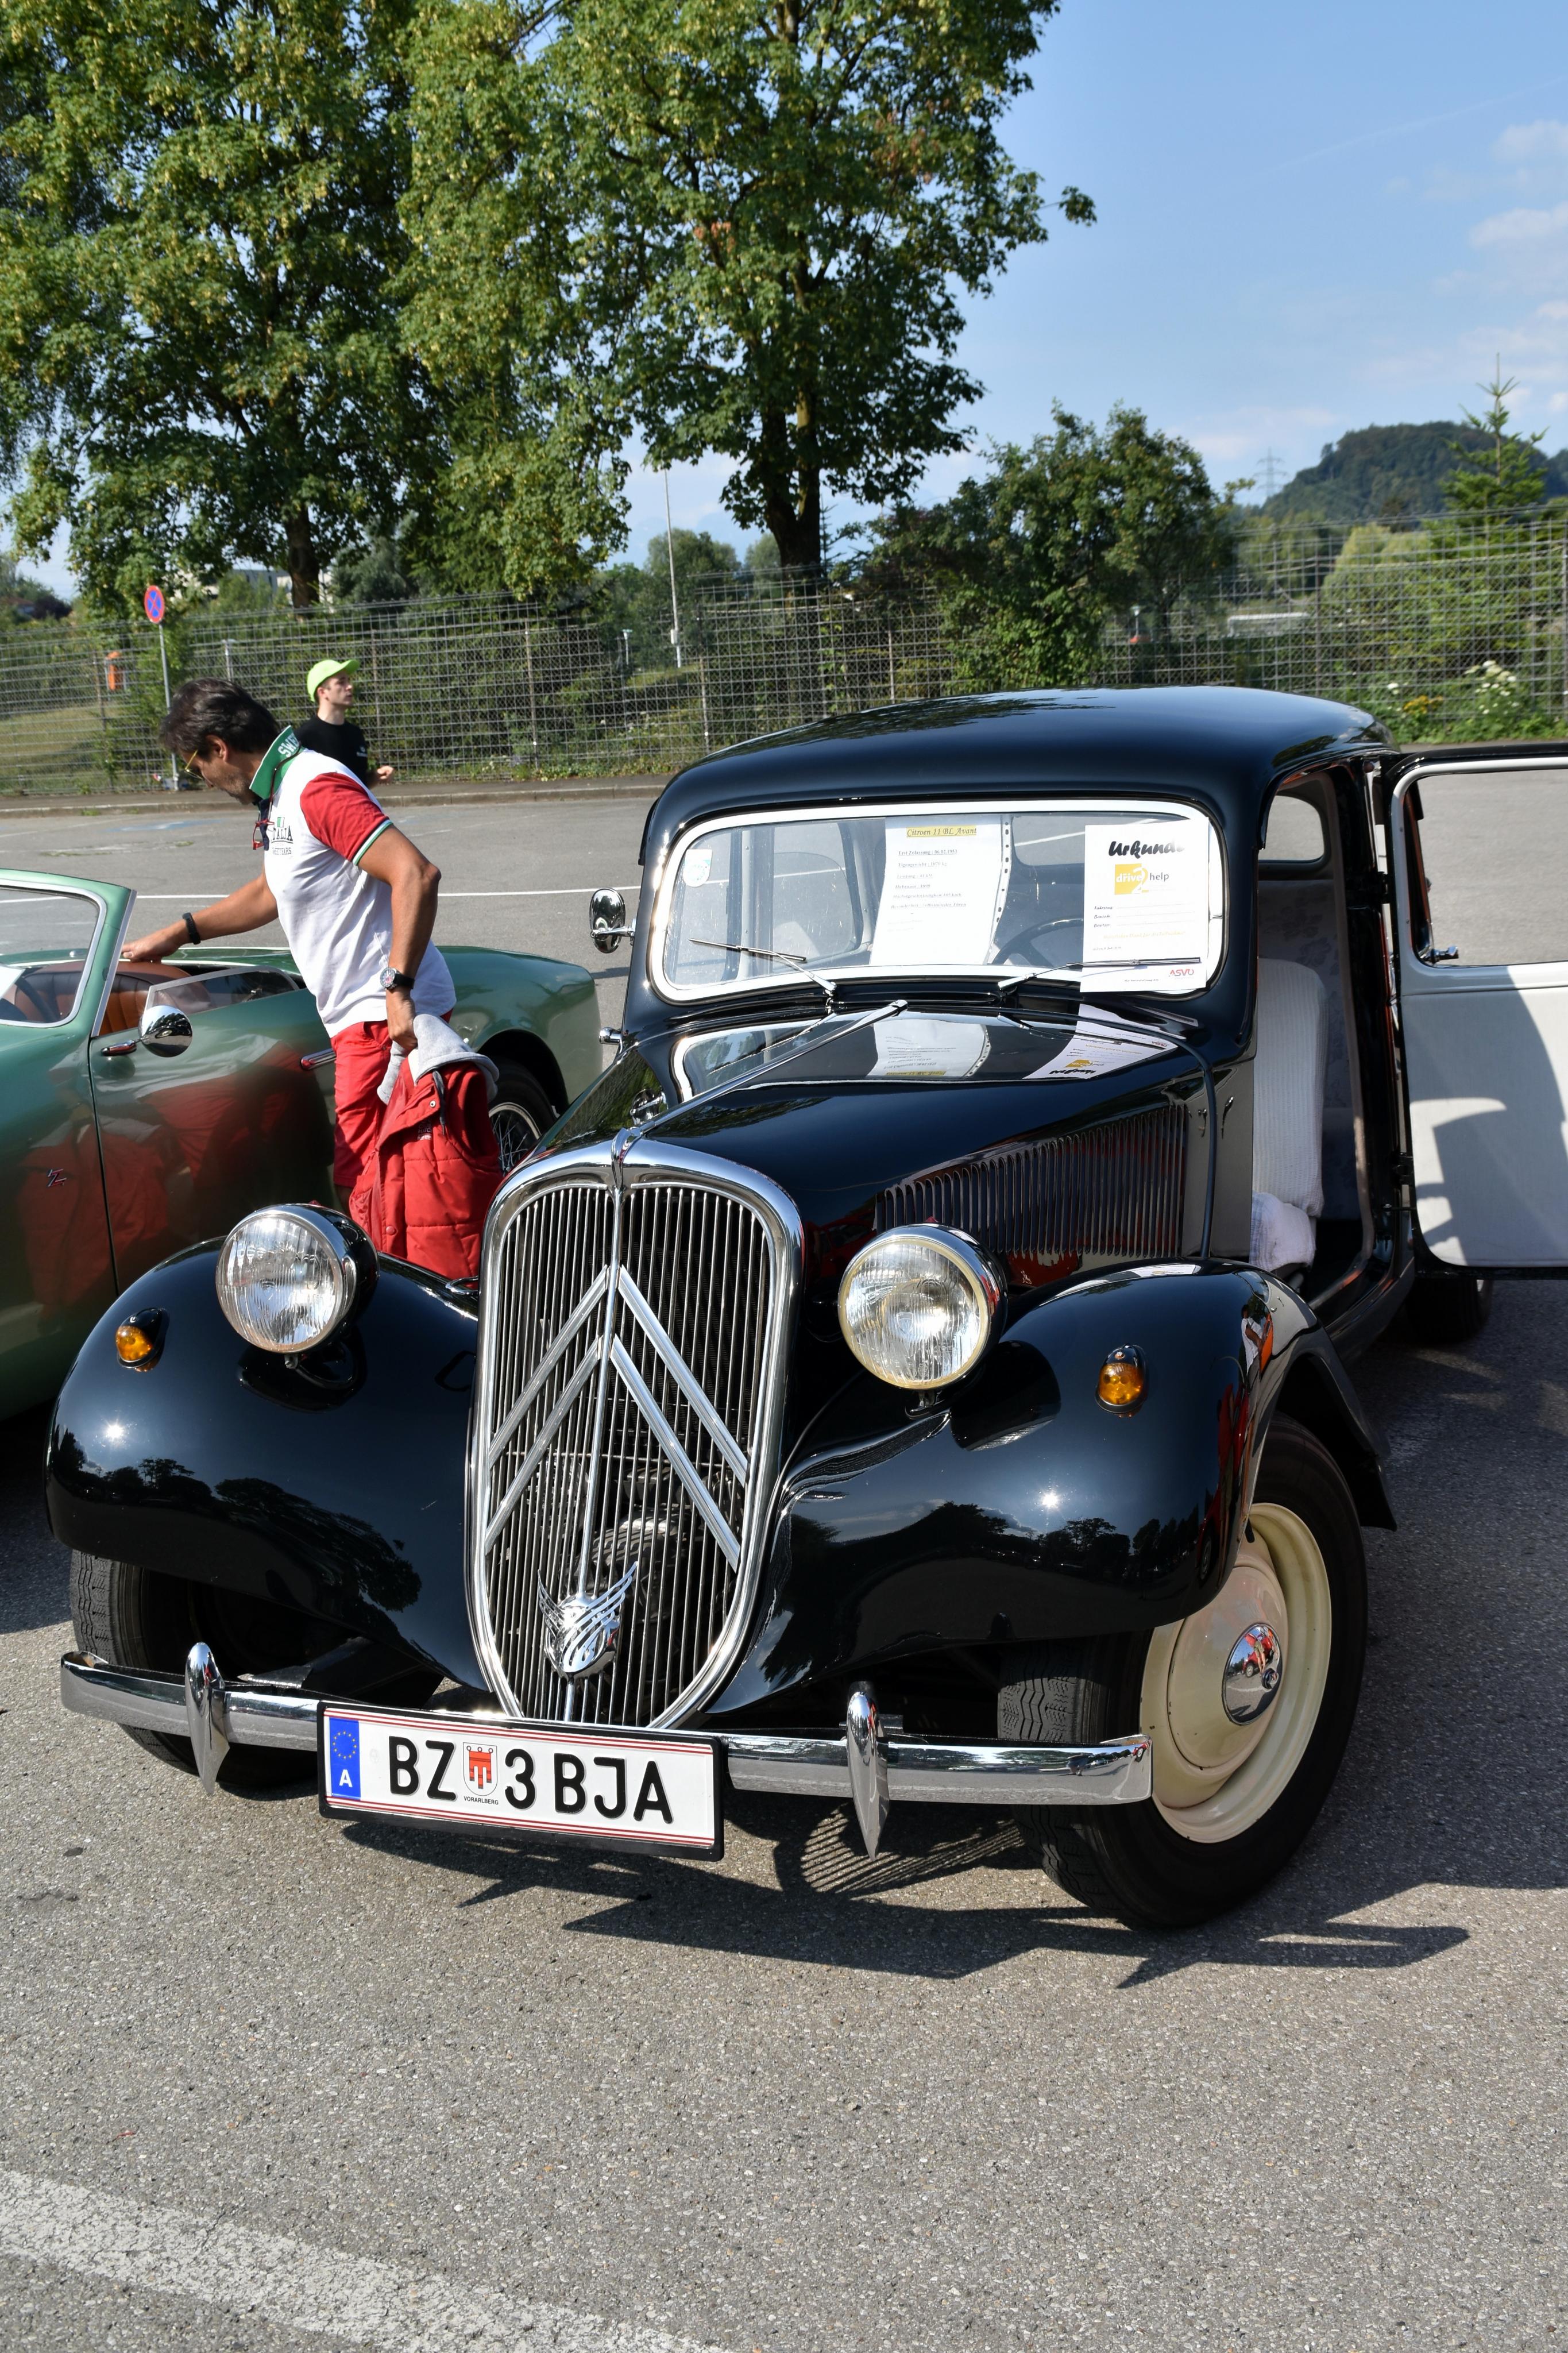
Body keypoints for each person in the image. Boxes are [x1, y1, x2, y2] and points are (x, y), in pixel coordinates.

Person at [123, 678, 453, 1221]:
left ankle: (392, 1275)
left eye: (196, 767)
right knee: (382, 1181)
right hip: (361, 1013)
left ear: (219, 748)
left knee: (366, 1184)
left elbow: (416, 873)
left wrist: (398, 988)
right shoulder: (283, 792)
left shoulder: (313, 787)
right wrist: (180, 932)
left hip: (380, 1015)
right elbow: (271, 891)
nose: (204, 781)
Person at [296, 655, 393, 786]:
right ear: (323, 692)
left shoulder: (355, 733)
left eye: (349, 681)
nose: (349, 686)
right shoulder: (304, 738)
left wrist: (374, 777)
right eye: (341, 682)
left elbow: (356, 785)